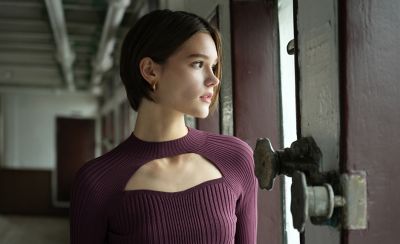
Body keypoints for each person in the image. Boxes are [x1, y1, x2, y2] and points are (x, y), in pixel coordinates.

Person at [70, 9, 258, 244]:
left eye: (214, 65)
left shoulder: (236, 157)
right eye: (198, 64)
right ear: (150, 70)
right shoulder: (96, 181)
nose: (214, 79)